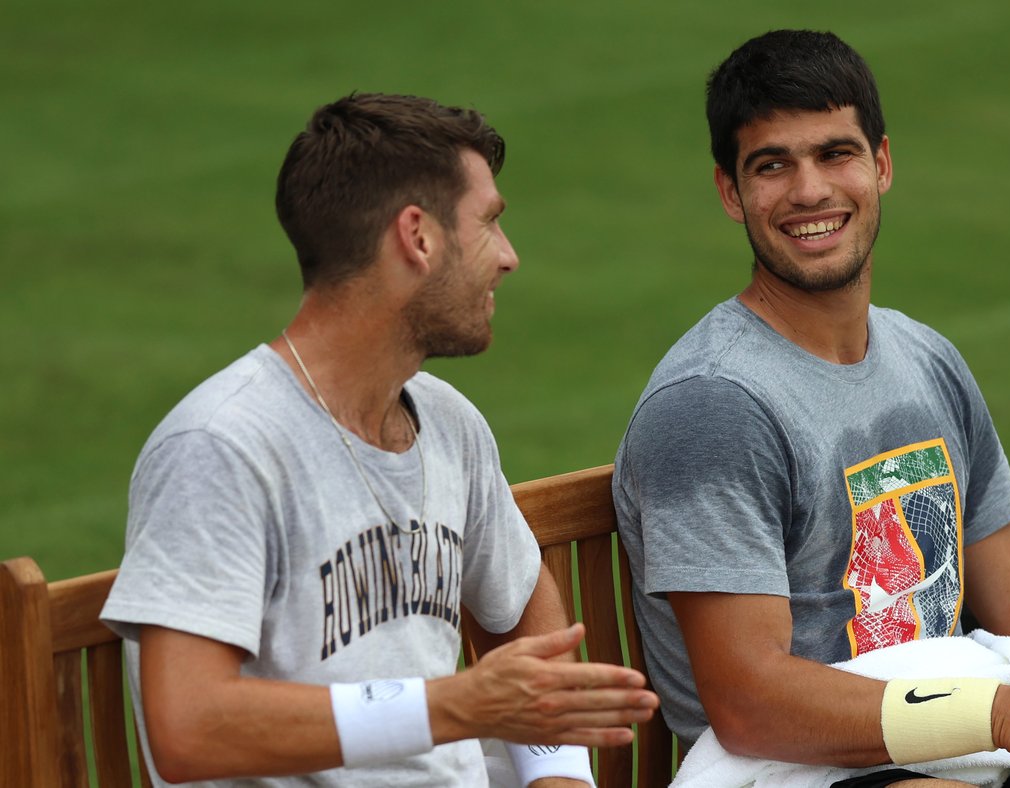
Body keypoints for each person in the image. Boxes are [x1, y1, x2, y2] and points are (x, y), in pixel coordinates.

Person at [612, 30, 1010, 788]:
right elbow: (750, 700)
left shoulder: (926, 359)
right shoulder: (714, 404)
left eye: (835, 154)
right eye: (771, 165)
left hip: (956, 738)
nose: (809, 191)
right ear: (731, 192)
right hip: (798, 765)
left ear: (881, 164)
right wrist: (989, 716)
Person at [100, 93, 658, 787]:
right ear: (418, 237)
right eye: (489, 224)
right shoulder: (221, 446)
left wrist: (559, 779)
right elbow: (188, 728)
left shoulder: (449, 422)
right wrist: (451, 705)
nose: (509, 258)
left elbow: (527, 629)